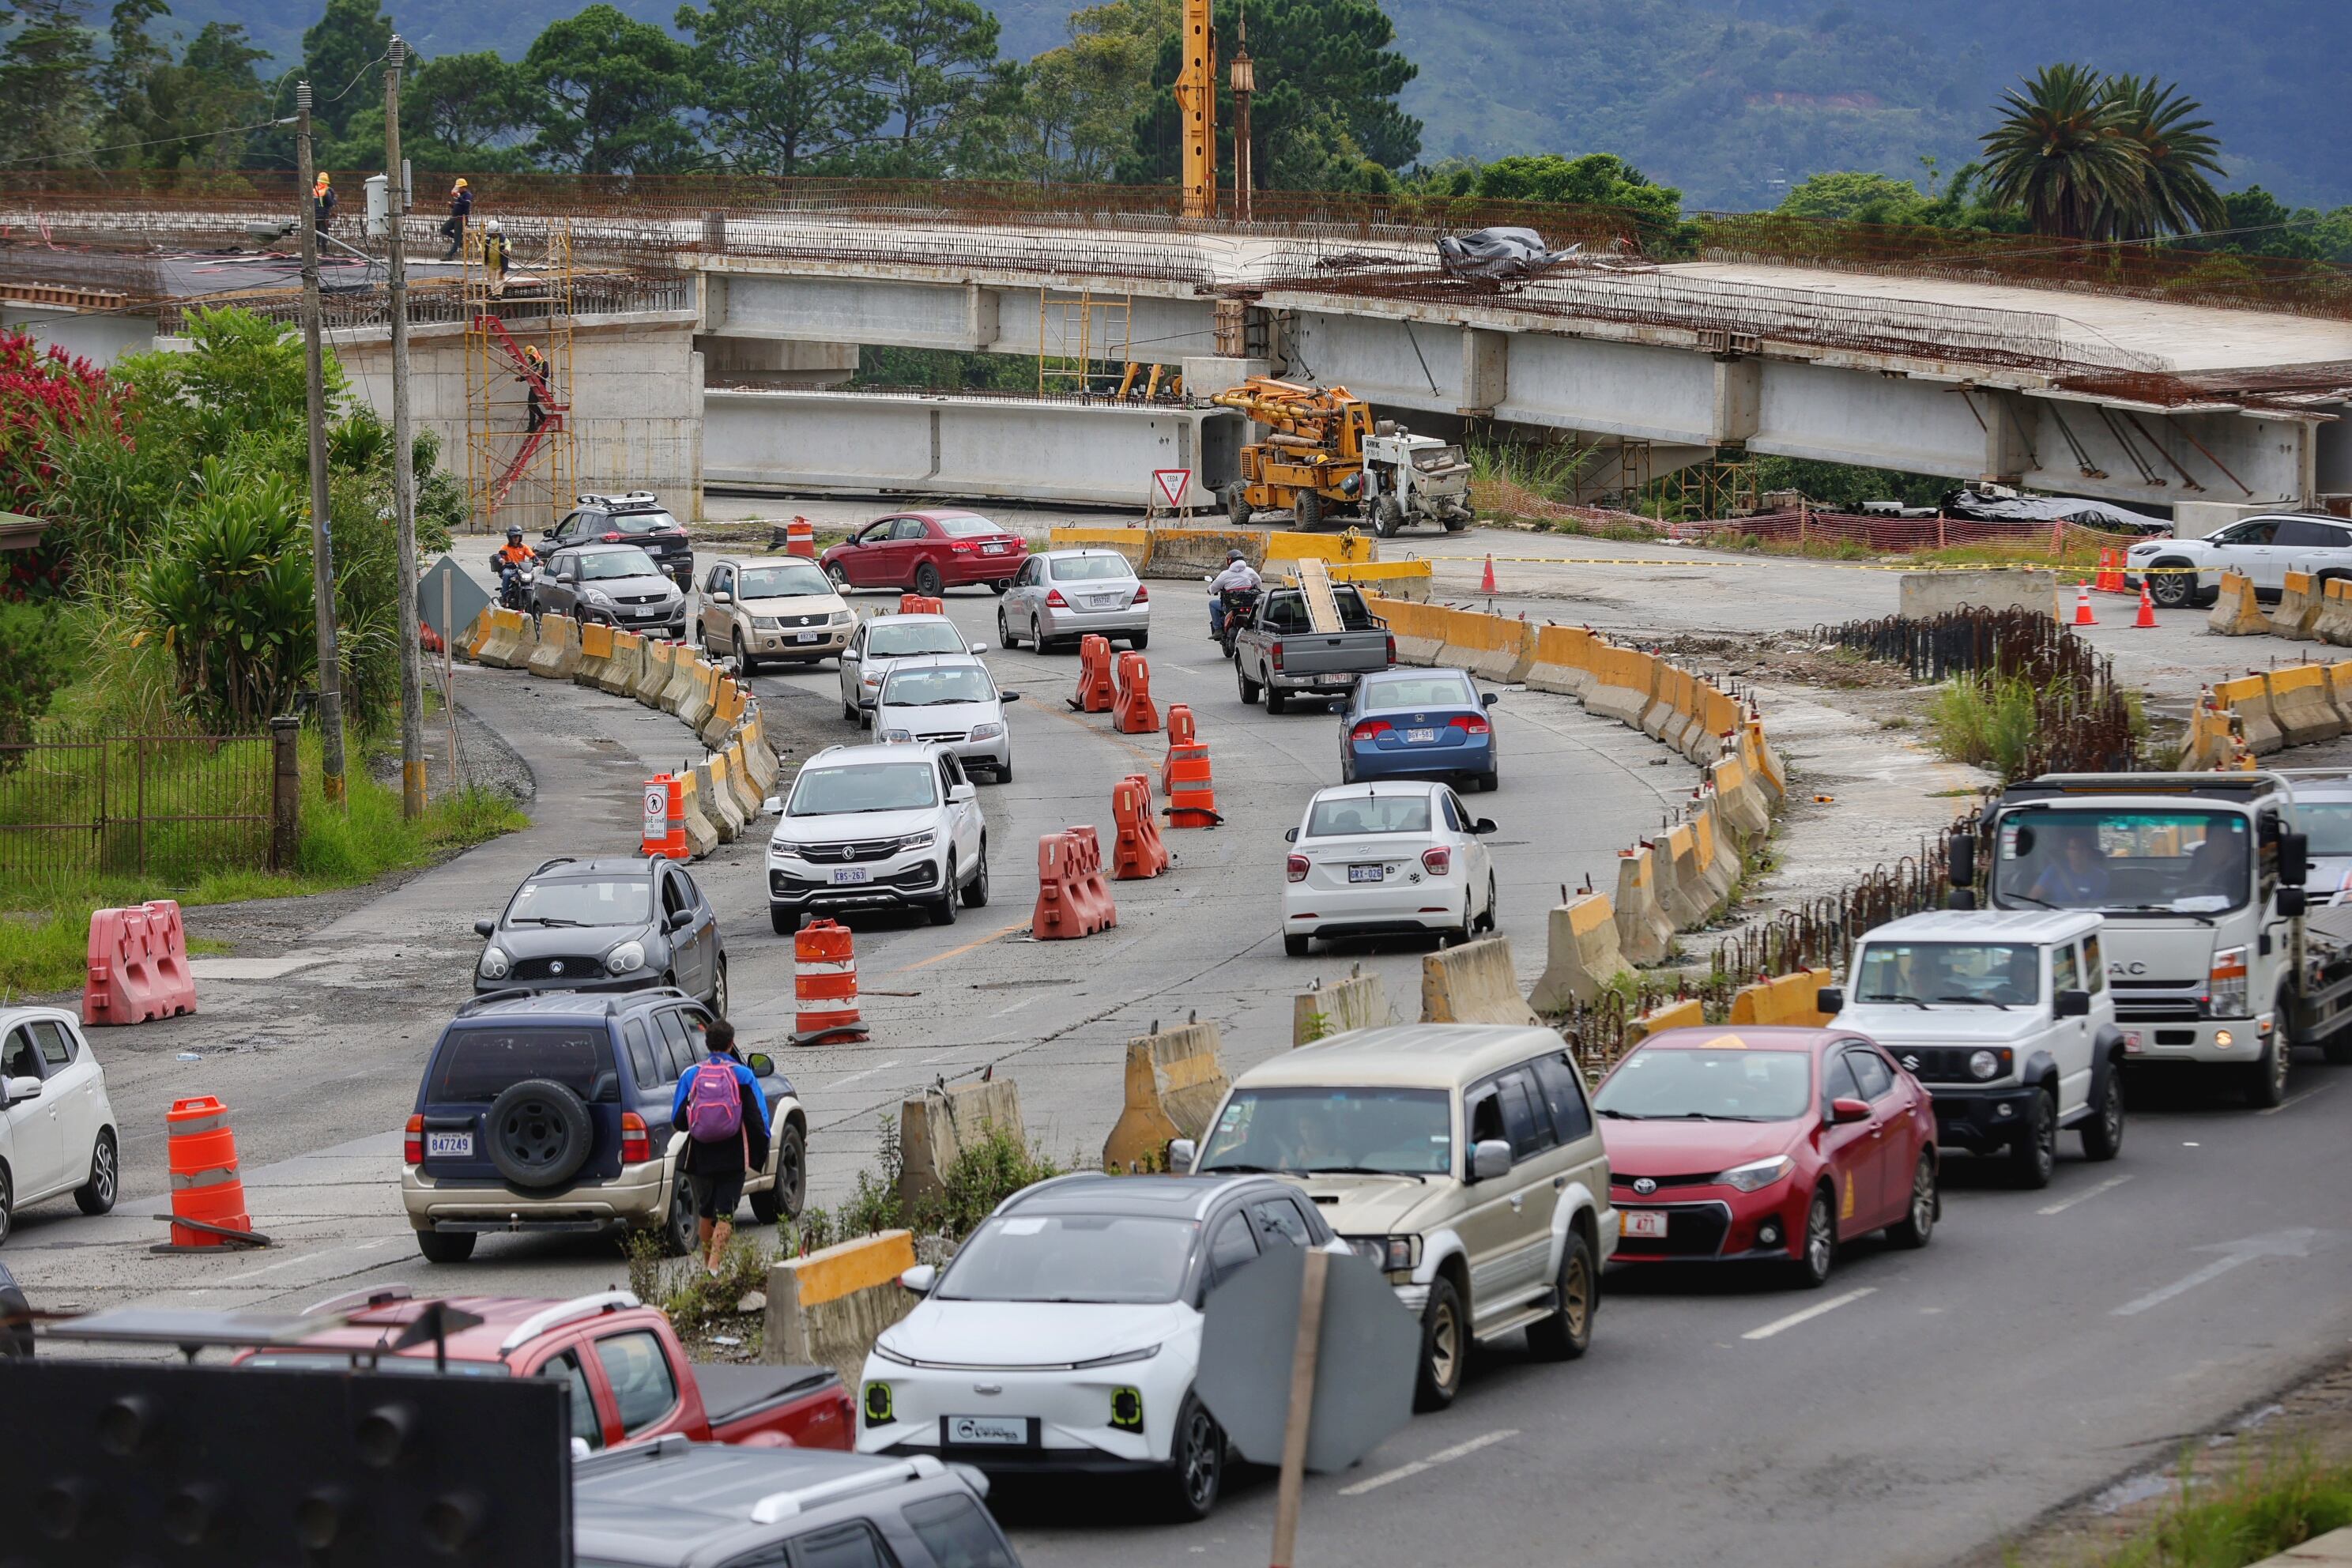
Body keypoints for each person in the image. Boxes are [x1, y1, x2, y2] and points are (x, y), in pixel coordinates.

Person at [669, 1017, 771, 1276]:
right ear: (731, 1044)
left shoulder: (692, 1075)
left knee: (705, 1211)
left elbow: (678, 1120)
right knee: (726, 1212)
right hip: (734, 1154)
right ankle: (715, 1265)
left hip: (701, 1154)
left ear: (707, 1044)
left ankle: (708, 1268)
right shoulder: (743, 1075)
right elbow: (758, 1118)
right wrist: (762, 1151)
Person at [2028, 825, 2113, 907]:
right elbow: (2033, 898)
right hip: (2058, 916)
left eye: (2082, 848)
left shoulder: (2100, 877)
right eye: (2073, 848)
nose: (2078, 852)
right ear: (2067, 852)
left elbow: (2095, 906)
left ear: (2089, 851)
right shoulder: (2053, 871)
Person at [1206, 548, 1260, 639]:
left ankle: (1218, 629)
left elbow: (1214, 588)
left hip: (1230, 605)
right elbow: (1258, 583)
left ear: (1230, 560)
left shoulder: (1224, 574)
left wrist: (1210, 590)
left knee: (1212, 604)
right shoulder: (1250, 571)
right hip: (1248, 604)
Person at [439, 178, 472, 261]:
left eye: (459, 188)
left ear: (463, 187)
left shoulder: (468, 195)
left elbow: (466, 204)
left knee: (456, 239)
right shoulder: (459, 196)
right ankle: (460, 239)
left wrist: (459, 197)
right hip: (454, 218)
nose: (457, 189)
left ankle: (449, 255)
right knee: (443, 229)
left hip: (461, 219)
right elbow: (459, 206)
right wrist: (452, 206)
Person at [520, 343, 549, 433]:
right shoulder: (531, 364)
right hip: (533, 387)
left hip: (540, 387)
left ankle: (539, 420)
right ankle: (538, 421)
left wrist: (538, 375)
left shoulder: (544, 362)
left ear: (534, 354)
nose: (529, 358)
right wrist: (521, 378)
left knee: (532, 405)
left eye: (530, 356)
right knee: (531, 405)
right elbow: (529, 375)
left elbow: (546, 374)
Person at [482, 217, 509, 299]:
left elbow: (508, 245)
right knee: (491, 278)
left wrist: (507, 250)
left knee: (499, 278)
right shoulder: (487, 239)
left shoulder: (503, 239)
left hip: (500, 262)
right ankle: (493, 293)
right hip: (491, 262)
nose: (493, 234)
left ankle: (498, 294)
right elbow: (483, 246)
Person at [312, 172, 337, 236]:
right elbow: (330, 203)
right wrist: (334, 199)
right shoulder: (327, 192)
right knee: (324, 234)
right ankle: (324, 246)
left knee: (316, 233)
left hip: (314, 216)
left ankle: (316, 245)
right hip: (324, 216)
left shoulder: (313, 191)